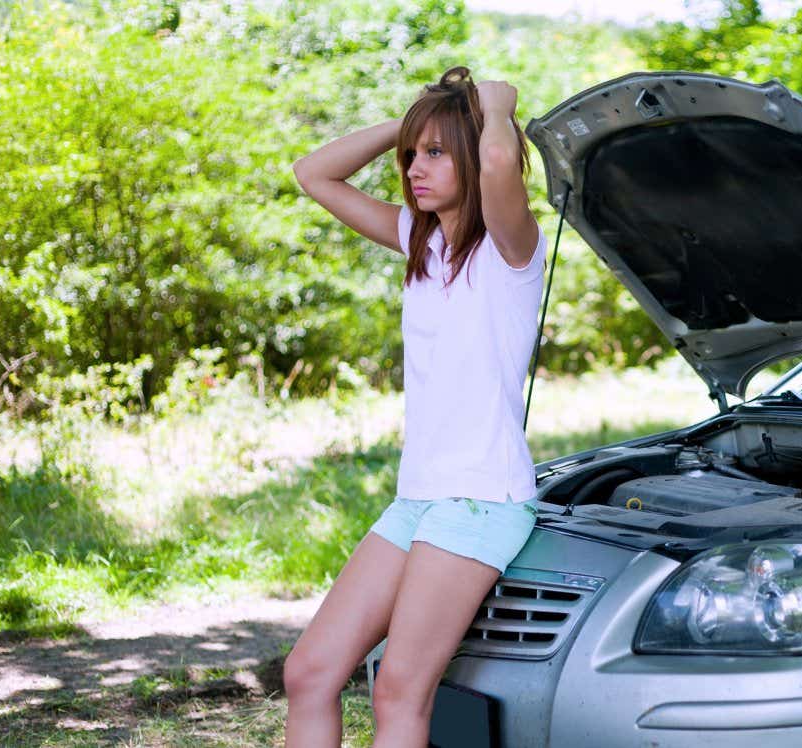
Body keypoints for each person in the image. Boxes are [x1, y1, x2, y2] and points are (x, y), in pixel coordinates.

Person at [282, 66, 546, 747]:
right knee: (310, 672)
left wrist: (493, 105)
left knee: (399, 692)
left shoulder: (512, 250)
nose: (413, 169)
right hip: (419, 498)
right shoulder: (421, 243)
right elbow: (313, 174)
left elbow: (495, 159)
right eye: (409, 155)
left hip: (481, 499)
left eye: (434, 153)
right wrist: (410, 123)